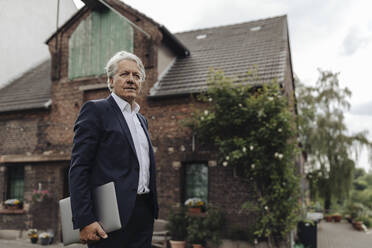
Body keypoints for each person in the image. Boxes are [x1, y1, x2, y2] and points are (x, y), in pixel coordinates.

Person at [69, 51, 159, 248]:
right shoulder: (95, 110)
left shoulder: (141, 120)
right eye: (124, 74)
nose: (131, 80)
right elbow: (79, 168)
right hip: (109, 216)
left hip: (143, 213)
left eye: (136, 76)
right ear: (110, 80)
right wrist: (85, 219)